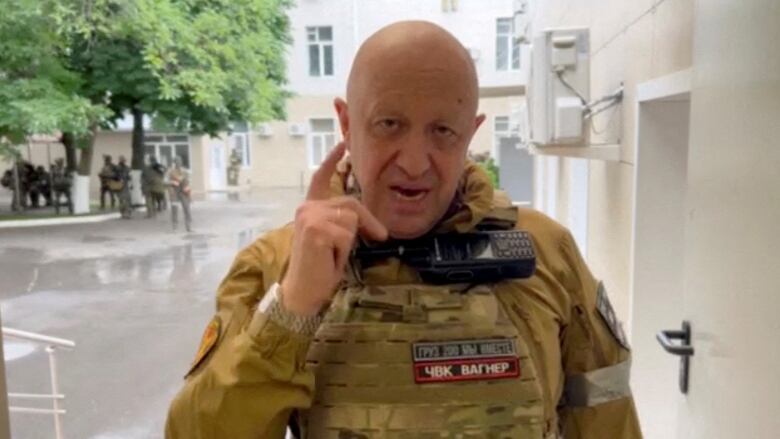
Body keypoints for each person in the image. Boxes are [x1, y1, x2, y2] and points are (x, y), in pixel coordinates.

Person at [165, 21, 642, 439]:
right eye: (389, 124)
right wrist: (292, 309)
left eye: (443, 132)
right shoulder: (276, 264)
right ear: (347, 125)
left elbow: (608, 417)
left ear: (471, 134)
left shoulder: (545, 252)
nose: (414, 164)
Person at [167, 156, 192, 232]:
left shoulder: (185, 171)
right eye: (177, 161)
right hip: (174, 192)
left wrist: (188, 189)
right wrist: (172, 182)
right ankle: (175, 227)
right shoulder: (170, 171)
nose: (179, 162)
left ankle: (188, 227)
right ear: (174, 163)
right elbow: (164, 181)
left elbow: (189, 181)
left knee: (187, 208)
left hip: (184, 192)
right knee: (174, 209)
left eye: (180, 161)